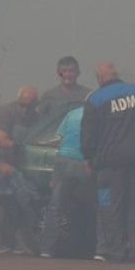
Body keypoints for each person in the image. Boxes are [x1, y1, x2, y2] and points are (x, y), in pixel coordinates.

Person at [80, 61, 135, 263]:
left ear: (100, 79)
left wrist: (89, 157)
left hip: (109, 164)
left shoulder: (95, 98)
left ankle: (116, 252)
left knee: (110, 207)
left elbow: (88, 134)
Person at [0, 85, 42, 254]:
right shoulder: (6, 113)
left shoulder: (38, 118)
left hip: (22, 170)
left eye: (29, 106)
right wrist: (21, 147)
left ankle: (17, 243)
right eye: (22, 105)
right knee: (2, 206)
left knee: (22, 206)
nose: (25, 110)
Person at [38, 105, 91, 258]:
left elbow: (60, 140)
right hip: (86, 162)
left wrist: (54, 176)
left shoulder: (72, 114)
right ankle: (97, 250)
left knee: (55, 207)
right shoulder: (99, 114)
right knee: (95, 207)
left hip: (64, 159)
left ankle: (47, 250)